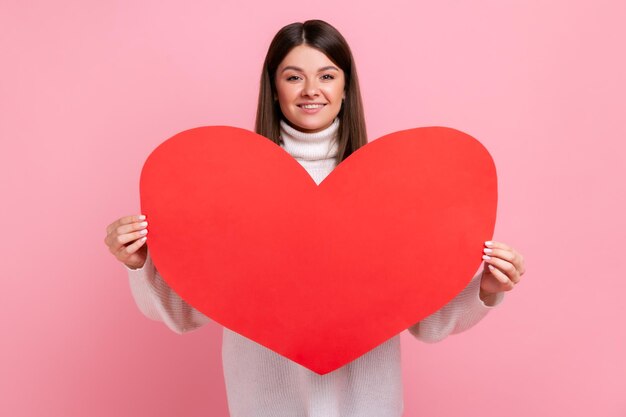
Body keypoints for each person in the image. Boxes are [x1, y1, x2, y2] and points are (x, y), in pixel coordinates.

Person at [104, 19, 525, 417]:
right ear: (273, 88)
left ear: (346, 88)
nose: (311, 90)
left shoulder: (393, 190)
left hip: (367, 403)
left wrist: (485, 289)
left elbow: (426, 321)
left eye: (326, 75)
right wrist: (141, 263)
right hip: (264, 403)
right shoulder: (228, 187)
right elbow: (184, 313)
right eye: (293, 76)